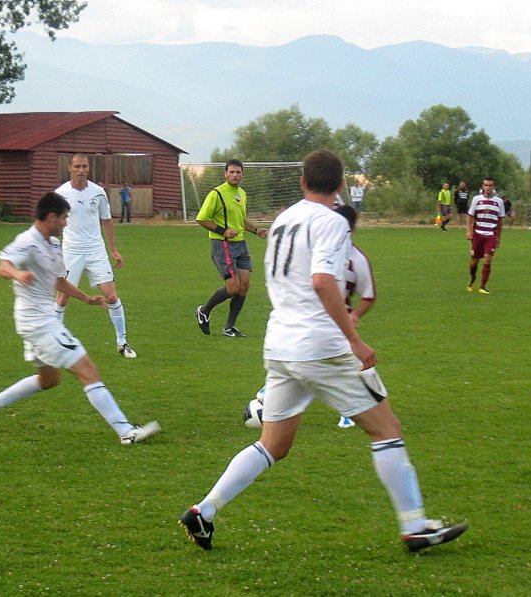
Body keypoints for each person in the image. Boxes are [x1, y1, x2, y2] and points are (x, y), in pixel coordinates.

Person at [179, 148, 467, 553]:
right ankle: (415, 526)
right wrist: (354, 339)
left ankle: (203, 511)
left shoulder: (282, 220)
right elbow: (321, 281)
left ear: (301, 181)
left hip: (280, 344)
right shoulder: (331, 222)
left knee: (273, 445)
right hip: (319, 347)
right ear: (341, 184)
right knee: (387, 430)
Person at [0, 192, 161, 445]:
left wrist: (86, 298)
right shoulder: (27, 241)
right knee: (88, 371)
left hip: (38, 322)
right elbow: (2, 264)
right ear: (51, 217)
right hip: (38, 324)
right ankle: (126, 431)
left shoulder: (53, 244)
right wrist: (16, 273)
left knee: (49, 380)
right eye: (64, 218)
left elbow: (60, 281)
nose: (66, 223)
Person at [53, 154, 137, 359]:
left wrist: (113, 250)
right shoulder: (60, 194)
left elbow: (106, 221)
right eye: (77, 166)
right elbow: (52, 223)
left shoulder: (98, 192)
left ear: (88, 169)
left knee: (111, 296)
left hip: (95, 250)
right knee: (63, 297)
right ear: (69, 168)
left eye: (84, 167)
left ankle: (122, 342)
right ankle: (53, 341)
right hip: (71, 251)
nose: (81, 170)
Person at [194, 159, 268, 338]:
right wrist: (223, 231)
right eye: (232, 172)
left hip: (241, 244)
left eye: (238, 172)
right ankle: (204, 310)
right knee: (233, 287)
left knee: (244, 286)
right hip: (223, 245)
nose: (235, 175)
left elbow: (241, 220)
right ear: (225, 174)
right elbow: (202, 218)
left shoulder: (242, 194)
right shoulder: (216, 194)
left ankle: (229, 327)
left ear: (243, 174)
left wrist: (257, 230)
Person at [335, 204, 376, 428]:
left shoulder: (357, 259)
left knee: (350, 363)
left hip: (340, 322)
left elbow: (369, 295)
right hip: (312, 319)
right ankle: (270, 392)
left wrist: (356, 314)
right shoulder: (316, 250)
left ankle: (349, 411)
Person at [467, 177, 505, 295]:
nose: (488, 188)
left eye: (490, 185)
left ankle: (483, 286)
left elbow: (500, 221)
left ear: (494, 187)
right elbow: (470, 216)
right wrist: (469, 231)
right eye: (486, 185)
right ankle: (472, 278)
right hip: (478, 234)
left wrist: (498, 237)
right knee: (474, 262)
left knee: (487, 259)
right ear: (483, 186)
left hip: (491, 235)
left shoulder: (499, 201)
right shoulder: (476, 199)